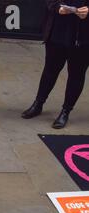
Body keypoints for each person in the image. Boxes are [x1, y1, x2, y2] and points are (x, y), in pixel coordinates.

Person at [22, 0, 89, 129]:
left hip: (84, 35)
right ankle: (38, 103)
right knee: (50, 70)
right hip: (58, 29)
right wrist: (57, 7)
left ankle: (65, 111)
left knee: (76, 74)